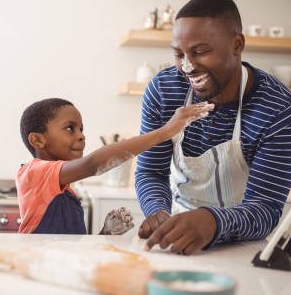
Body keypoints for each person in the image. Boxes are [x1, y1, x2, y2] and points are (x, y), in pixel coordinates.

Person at [136, 0, 291, 255]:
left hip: (243, 246)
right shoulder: (164, 90)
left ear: (237, 44)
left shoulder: (278, 108)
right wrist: (158, 212)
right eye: (179, 54)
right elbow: (151, 172)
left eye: (200, 52)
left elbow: (265, 208)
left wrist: (213, 222)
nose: (188, 66)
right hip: (175, 238)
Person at [17, 98, 213, 234]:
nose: (81, 135)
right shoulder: (33, 172)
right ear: (37, 140)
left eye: (81, 129)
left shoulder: (66, 189)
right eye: (70, 128)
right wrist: (166, 131)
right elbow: (93, 164)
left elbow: (73, 245)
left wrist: (105, 233)